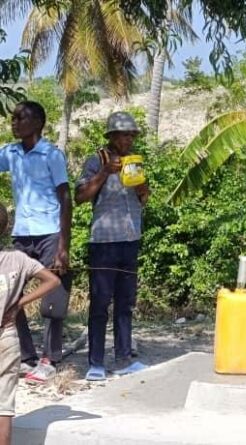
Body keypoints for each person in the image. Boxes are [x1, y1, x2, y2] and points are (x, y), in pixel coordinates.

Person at [0, 101, 72, 384]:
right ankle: (27, 356)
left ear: (38, 123)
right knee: (9, 294)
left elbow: (66, 198)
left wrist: (63, 246)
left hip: (49, 232)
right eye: (13, 118)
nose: (14, 122)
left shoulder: (51, 155)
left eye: (21, 118)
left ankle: (50, 358)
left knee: (54, 297)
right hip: (22, 232)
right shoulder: (11, 153)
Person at [75, 112, 150, 381]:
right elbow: (80, 196)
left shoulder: (135, 162)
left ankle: (124, 358)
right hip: (104, 242)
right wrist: (105, 172)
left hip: (130, 239)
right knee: (100, 303)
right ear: (111, 136)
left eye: (131, 134)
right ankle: (95, 362)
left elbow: (143, 199)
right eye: (123, 134)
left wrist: (143, 188)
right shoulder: (97, 160)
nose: (128, 139)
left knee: (126, 302)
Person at [0, 202, 61, 445]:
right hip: (7, 336)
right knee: (4, 407)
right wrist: (18, 304)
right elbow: (52, 281)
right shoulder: (18, 259)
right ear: (5, 229)